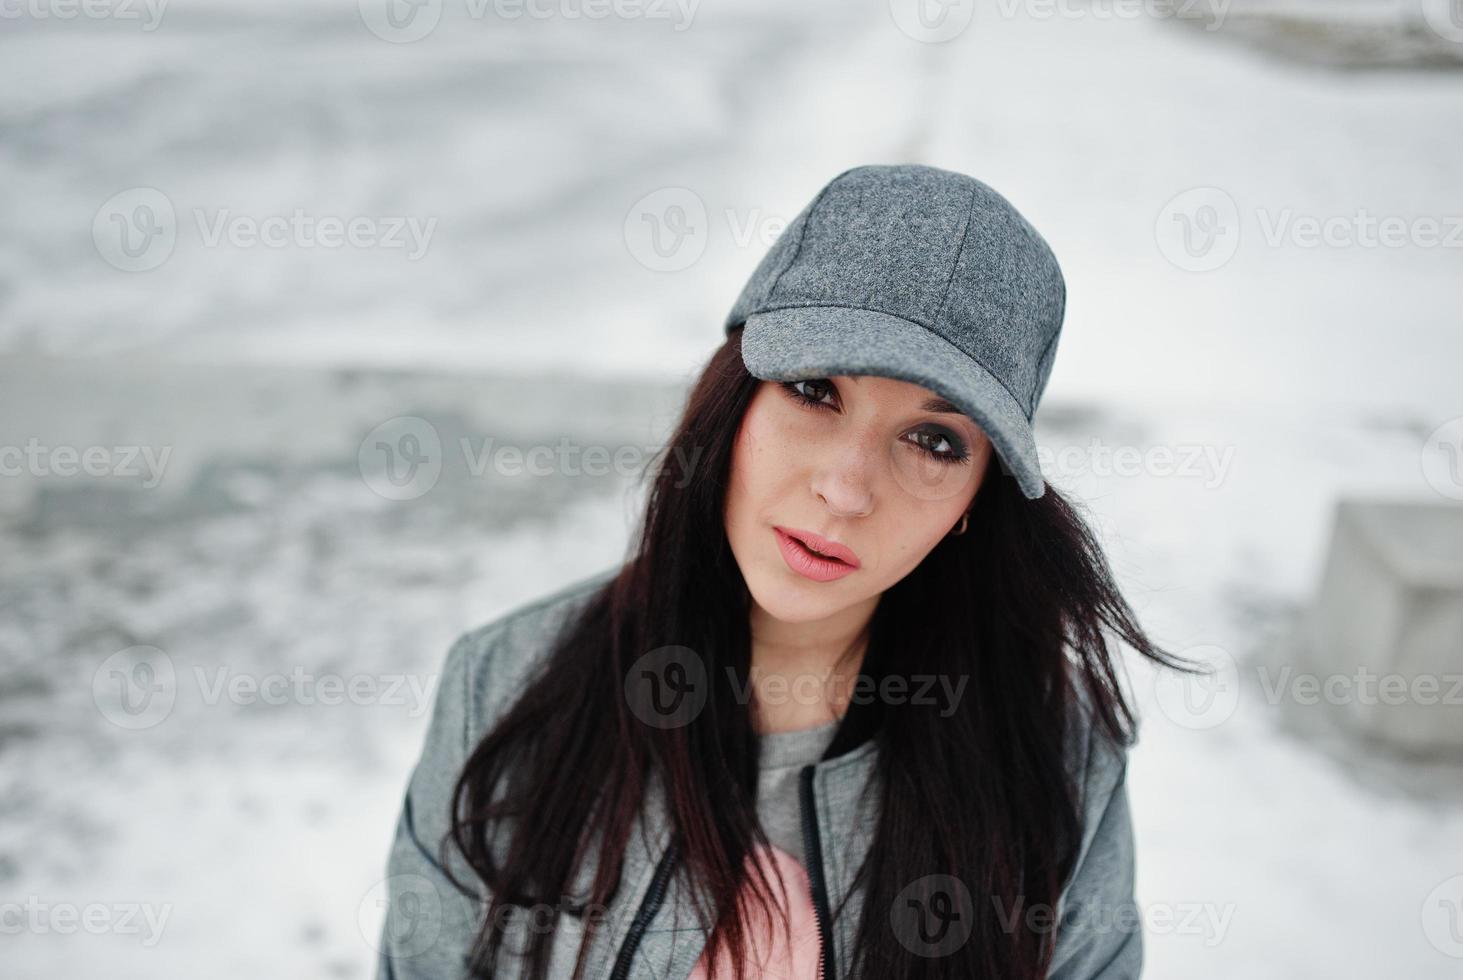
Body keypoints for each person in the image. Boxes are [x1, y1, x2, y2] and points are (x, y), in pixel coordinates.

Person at [374, 164, 1201, 980]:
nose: (843, 491)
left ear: (974, 501)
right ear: (731, 401)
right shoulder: (507, 685)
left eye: (933, 440)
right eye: (814, 390)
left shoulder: (1053, 760)